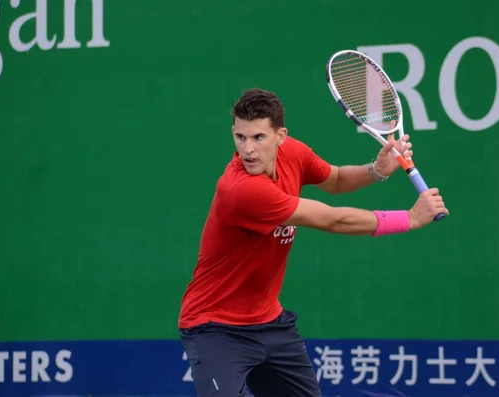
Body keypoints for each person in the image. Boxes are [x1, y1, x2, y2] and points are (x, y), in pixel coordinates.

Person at [178, 88, 448, 396]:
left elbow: (333, 179)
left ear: (281, 135)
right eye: (241, 138)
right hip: (216, 328)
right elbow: (333, 219)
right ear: (233, 133)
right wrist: (410, 218)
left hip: (269, 322)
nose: (248, 150)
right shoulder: (242, 190)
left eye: (258, 138)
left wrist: (376, 171)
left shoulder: (292, 152)